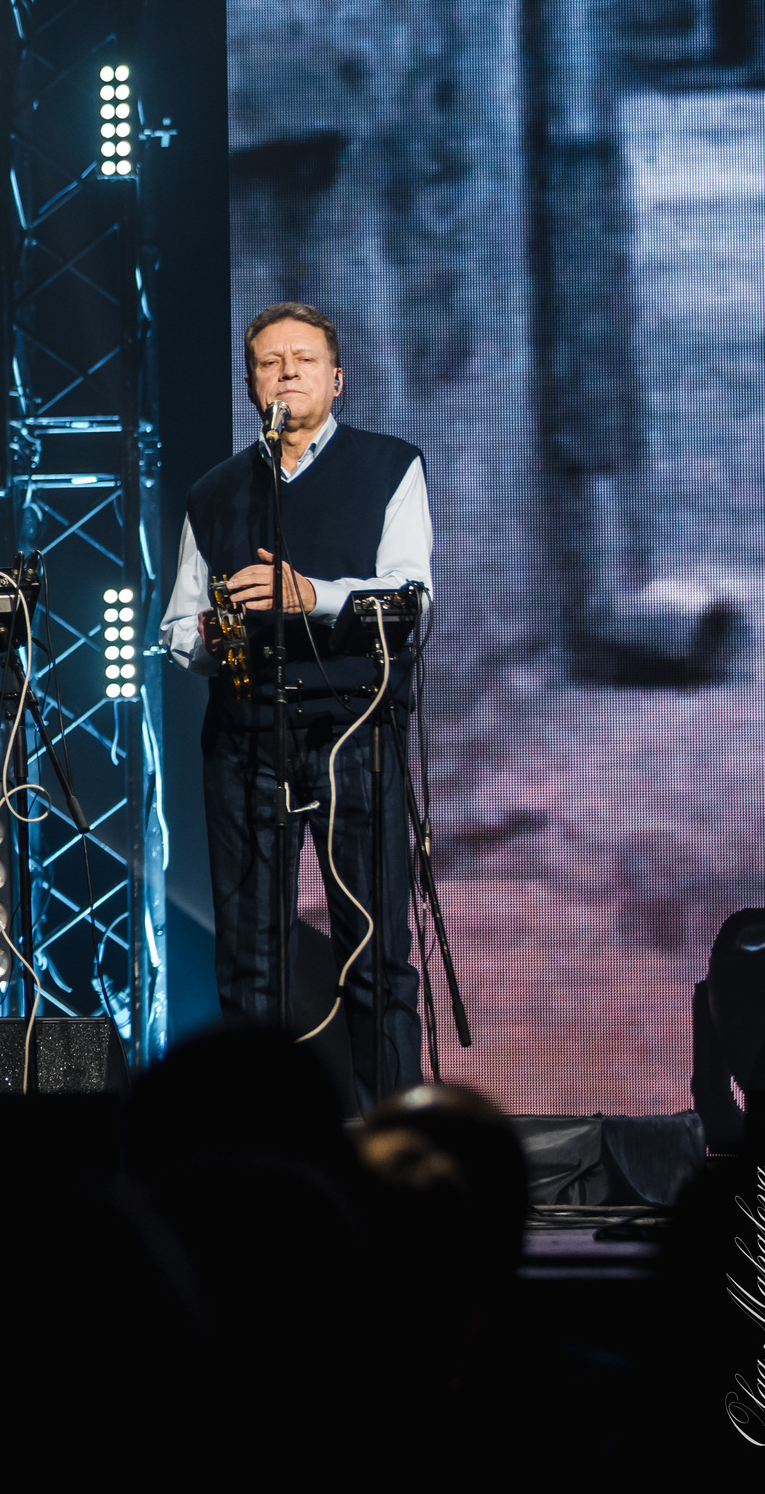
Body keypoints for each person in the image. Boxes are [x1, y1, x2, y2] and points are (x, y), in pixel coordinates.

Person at [160, 301, 431, 1112]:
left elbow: (410, 595)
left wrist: (310, 594)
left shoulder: (390, 466)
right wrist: (214, 632)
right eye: (270, 361)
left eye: (303, 359)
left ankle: (395, 1139)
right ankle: (261, 1138)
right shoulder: (216, 491)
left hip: (353, 733)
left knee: (376, 950)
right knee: (250, 956)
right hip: (245, 737)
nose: (286, 372)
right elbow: (175, 630)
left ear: (336, 378)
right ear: (249, 384)